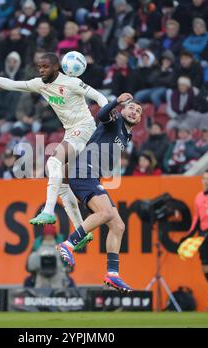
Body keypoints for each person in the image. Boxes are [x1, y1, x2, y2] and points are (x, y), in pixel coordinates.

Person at [0, 53, 108, 232]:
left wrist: (106, 112)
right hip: (70, 132)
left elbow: (99, 97)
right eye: (40, 67)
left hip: (85, 128)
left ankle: (49, 211)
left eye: (45, 67)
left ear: (56, 67)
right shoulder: (40, 84)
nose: (41, 70)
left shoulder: (72, 83)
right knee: (63, 183)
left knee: (53, 162)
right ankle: (81, 230)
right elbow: (12, 85)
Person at [57, 93, 142, 291]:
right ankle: (68, 245)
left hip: (91, 176)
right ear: (122, 110)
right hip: (83, 171)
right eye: (131, 107)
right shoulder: (115, 121)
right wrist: (116, 101)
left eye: (138, 111)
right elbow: (102, 114)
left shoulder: (126, 135)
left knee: (118, 226)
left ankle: (112, 274)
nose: (134, 111)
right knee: (105, 213)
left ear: (139, 120)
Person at [179, 170, 208, 311]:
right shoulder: (198, 197)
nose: (206, 181)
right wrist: (188, 235)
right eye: (204, 178)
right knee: (205, 268)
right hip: (203, 235)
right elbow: (197, 219)